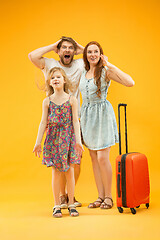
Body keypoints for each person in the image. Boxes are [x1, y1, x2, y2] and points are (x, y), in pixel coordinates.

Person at [28, 36, 84, 208]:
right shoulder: (50, 63)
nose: (67, 50)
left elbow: (91, 54)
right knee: (58, 165)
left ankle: (70, 195)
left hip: (72, 120)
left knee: (75, 161)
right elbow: (32, 55)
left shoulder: (80, 64)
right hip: (55, 122)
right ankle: (62, 197)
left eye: (70, 48)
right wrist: (54, 45)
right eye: (64, 48)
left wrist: (74, 46)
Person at [79, 41, 134, 209]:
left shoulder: (105, 72)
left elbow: (129, 82)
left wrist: (109, 64)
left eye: (96, 51)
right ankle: (100, 196)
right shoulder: (82, 72)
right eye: (89, 52)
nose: (93, 54)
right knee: (94, 158)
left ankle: (109, 197)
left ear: (101, 54)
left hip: (102, 115)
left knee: (103, 158)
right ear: (86, 55)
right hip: (87, 117)